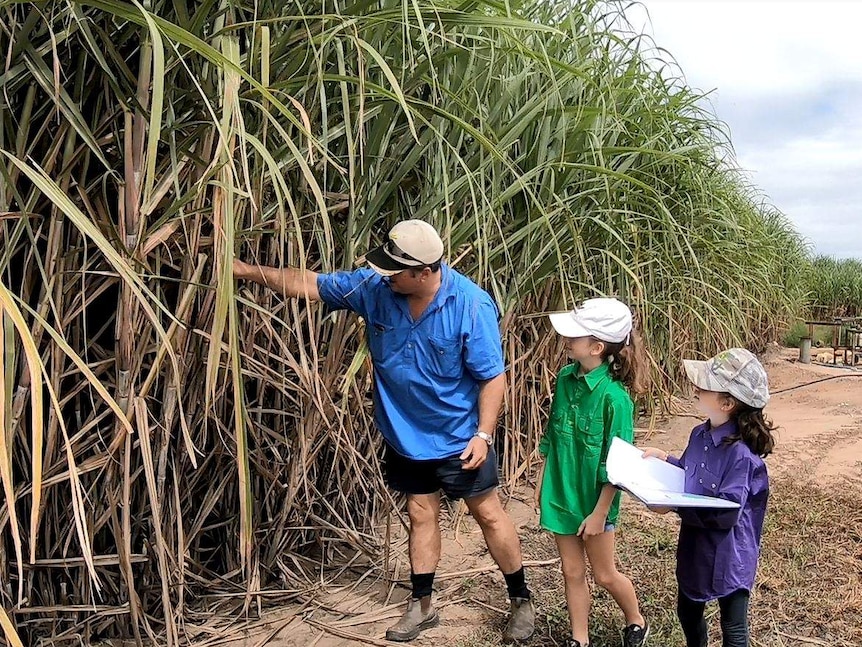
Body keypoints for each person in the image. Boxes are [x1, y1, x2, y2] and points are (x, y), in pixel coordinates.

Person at [233, 220, 534, 643]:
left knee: (487, 513)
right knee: (419, 512)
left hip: (458, 436)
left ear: (424, 272)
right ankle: (422, 604)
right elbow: (312, 284)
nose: (385, 276)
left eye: (396, 271)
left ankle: (521, 599)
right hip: (404, 436)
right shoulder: (376, 289)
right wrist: (246, 271)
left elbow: (492, 377)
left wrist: (483, 435)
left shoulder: (470, 305)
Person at [534, 298, 650, 647]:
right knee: (571, 571)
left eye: (575, 335)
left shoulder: (615, 400)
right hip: (561, 494)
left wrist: (600, 513)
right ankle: (579, 640)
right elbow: (552, 437)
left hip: (595, 503)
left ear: (596, 347)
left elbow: (618, 467)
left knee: (603, 574)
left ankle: (636, 620)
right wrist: (544, 485)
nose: (566, 340)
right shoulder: (565, 380)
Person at [641, 348, 775, 647]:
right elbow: (690, 472)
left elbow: (727, 512)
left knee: (733, 625)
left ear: (727, 403)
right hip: (696, 546)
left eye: (705, 385)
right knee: (687, 611)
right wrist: (666, 459)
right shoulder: (699, 435)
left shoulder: (741, 456)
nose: (696, 387)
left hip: (731, 553)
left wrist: (674, 505)